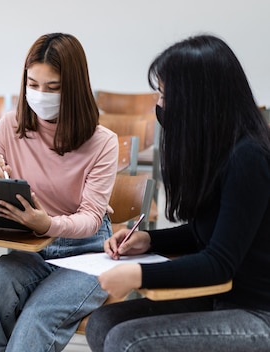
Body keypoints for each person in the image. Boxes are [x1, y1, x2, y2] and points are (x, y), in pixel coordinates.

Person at [85, 34, 270, 351]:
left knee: (127, 341)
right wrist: (150, 240)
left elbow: (218, 262)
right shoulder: (217, 150)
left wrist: (138, 275)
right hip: (219, 299)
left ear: (199, 100)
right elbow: (208, 233)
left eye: (166, 96)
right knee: (103, 323)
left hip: (256, 313)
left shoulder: (248, 158)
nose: (158, 106)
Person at [0, 33, 119, 352]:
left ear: (75, 88)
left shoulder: (103, 141)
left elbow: (92, 218)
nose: (40, 95)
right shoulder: (10, 126)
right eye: (33, 84)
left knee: (36, 317)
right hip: (32, 249)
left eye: (53, 87)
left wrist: (47, 224)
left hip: (88, 254)